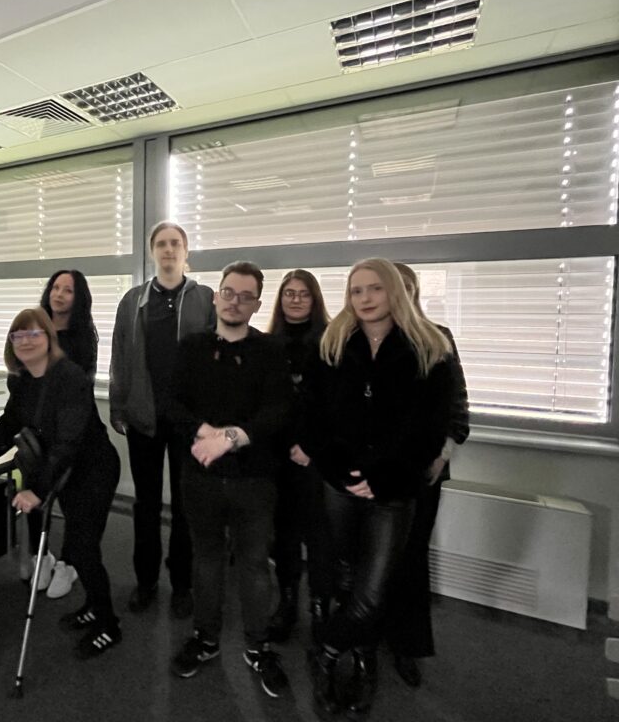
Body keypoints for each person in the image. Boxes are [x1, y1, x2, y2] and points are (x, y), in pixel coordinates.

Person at [306, 258, 458, 719]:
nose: (365, 298)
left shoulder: (430, 346)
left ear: (395, 291)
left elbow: (432, 428)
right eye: (356, 290)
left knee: (372, 590)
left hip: (394, 490)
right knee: (348, 578)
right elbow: (313, 417)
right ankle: (362, 659)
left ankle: (326, 651)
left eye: (374, 288)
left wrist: (386, 478)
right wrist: (340, 470)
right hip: (341, 485)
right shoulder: (332, 342)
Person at [169, 261, 292, 698]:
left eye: (245, 296)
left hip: (254, 480)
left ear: (257, 304)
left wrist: (233, 438)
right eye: (228, 293)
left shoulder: (271, 350)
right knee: (206, 561)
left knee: (255, 566)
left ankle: (258, 647)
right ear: (216, 296)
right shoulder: (191, 347)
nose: (234, 302)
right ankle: (206, 639)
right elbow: (173, 404)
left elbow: (278, 411)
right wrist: (208, 434)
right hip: (201, 476)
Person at [0, 308, 122, 658]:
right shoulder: (24, 381)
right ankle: (94, 606)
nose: (26, 341)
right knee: (80, 546)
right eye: (19, 335)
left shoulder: (69, 377)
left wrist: (37, 491)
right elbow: (10, 423)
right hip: (65, 472)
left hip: (93, 470)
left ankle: (108, 625)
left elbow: (67, 443)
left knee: (83, 549)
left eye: (35, 334)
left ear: (49, 338)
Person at [109, 221, 215, 618]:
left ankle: (182, 583)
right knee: (147, 504)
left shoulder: (205, 298)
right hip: (145, 418)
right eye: (161, 244)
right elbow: (119, 354)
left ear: (186, 252)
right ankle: (146, 580)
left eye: (175, 243)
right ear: (152, 251)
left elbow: (216, 356)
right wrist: (118, 405)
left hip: (189, 422)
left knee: (187, 507)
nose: (168, 250)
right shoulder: (133, 300)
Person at [385, 262, 470, 688]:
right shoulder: (363, 338)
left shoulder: (438, 337)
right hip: (376, 468)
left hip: (425, 470)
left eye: (405, 287)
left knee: (411, 557)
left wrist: (441, 455)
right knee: (370, 556)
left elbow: (458, 405)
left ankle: (407, 644)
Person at [22, 270, 98, 599]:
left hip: (71, 432)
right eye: (55, 287)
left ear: (78, 298)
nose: (59, 294)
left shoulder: (83, 338)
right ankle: (41, 556)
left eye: (68, 290)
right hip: (38, 430)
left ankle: (68, 562)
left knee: (72, 501)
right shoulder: (34, 330)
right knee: (33, 492)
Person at [266, 269, 333, 645]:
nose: (295, 300)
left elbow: (335, 404)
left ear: (314, 299)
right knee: (284, 537)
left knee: (320, 538)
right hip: (278, 457)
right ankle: (287, 604)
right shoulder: (267, 343)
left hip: (315, 458)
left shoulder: (331, 341)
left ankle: (321, 610)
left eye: (303, 294)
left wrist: (311, 446)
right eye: (289, 293)